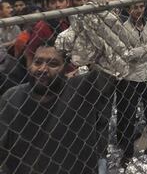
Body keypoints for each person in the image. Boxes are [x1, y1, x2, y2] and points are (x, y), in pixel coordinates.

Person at [0, 43, 110, 173]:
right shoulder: (12, 98)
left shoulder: (82, 89)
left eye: (52, 64)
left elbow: (112, 64)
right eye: (38, 62)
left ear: (65, 68)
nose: (42, 69)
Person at [117, 1, 147, 166]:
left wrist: (137, 51)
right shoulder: (123, 28)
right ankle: (127, 152)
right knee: (129, 116)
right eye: (135, 7)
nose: (138, 10)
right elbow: (125, 54)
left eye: (141, 7)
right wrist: (145, 48)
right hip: (131, 78)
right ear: (129, 9)